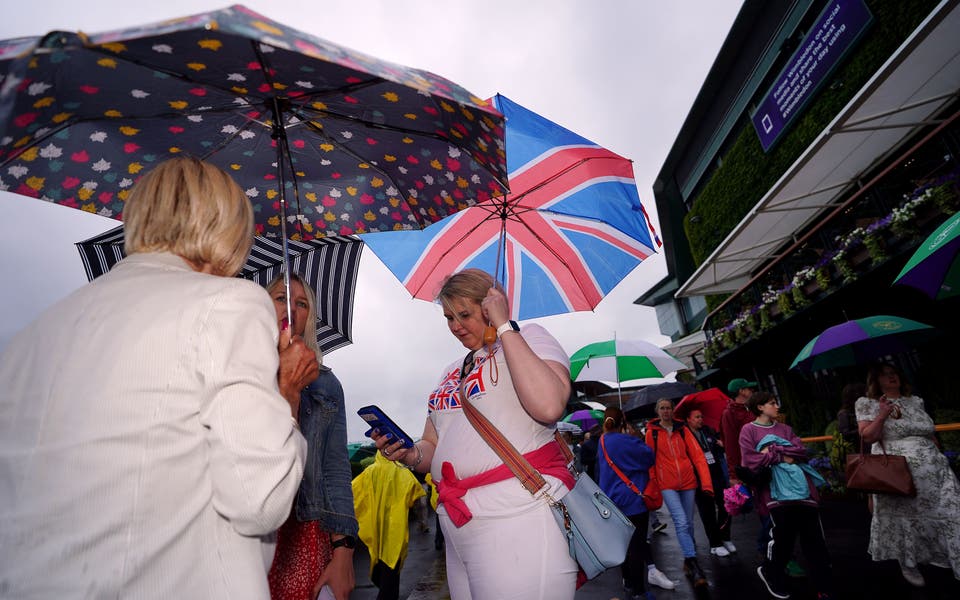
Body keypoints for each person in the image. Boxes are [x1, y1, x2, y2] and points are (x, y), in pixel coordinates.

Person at [0, 156, 308, 598]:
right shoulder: (232, 302)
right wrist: (285, 397)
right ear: (228, 227)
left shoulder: (33, 334)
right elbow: (259, 500)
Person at [373, 268, 578, 599]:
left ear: (490, 305)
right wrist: (410, 454)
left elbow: (549, 405)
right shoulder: (452, 369)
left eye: (463, 315)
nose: (455, 327)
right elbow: (433, 445)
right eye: (448, 318)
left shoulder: (531, 338)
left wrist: (505, 326)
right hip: (457, 523)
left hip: (518, 513)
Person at [265, 274, 359, 600]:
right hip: (249, 533)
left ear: (309, 317)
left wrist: (344, 550)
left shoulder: (326, 385)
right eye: (280, 298)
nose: (290, 308)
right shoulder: (235, 368)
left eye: (301, 303)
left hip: (306, 530)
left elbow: (335, 469)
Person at [855, 362, 960, 587]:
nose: (892, 377)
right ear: (876, 381)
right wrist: (882, 414)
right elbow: (868, 437)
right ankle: (907, 561)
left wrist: (938, 455)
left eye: (894, 373)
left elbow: (929, 433)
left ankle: (949, 556)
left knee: (952, 510)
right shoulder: (867, 403)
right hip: (897, 473)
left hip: (934, 468)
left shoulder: (916, 401)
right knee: (905, 517)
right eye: (885, 375)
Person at [740, 392, 833, 600]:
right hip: (775, 493)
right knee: (783, 540)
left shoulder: (785, 429)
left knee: (815, 540)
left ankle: (823, 585)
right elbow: (751, 460)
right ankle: (771, 572)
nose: (777, 406)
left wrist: (772, 451)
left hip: (803, 490)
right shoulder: (748, 430)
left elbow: (800, 451)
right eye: (772, 403)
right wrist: (784, 454)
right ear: (760, 407)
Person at [597, 406, 672, 599]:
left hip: (613, 500)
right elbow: (648, 458)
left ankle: (628, 581)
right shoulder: (628, 440)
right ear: (623, 421)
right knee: (637, 546)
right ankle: (639, 590)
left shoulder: (603, 441)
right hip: (634, 500)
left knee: (624, 545)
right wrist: (633, 436)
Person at [645, 398, 713, 588]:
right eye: (662, 408)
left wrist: (706, 483)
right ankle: (692, 561)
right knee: (681, 520)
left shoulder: (683, 430)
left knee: (689, 522)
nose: (666, 411)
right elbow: (650, 461)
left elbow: (698, 456)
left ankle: (688, 559)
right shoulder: (652, 434)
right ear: (657, 411)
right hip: (667, 483)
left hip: (688, 481)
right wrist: (654, 484)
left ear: (673, 410)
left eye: (668, 408)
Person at [352, 452, 426, 600]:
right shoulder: (402, 472)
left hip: (375, 527)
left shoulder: (369, 472)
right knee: (393, 565)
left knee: (379, 562)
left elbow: (352, 494)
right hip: (395, 529)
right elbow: (415, 495)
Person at [687, 408, 736, 557]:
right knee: (707, 511)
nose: (700, 419)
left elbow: (717, 444)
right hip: (699, 478)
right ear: (688, 419)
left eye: (701, 416)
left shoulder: (707, 430)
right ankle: (715, 543)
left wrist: (720, 444)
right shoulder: (684, 434)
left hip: (716, 473)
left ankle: (725, 537)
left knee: (726, 506)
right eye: (696, 417)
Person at [720, 377, 758, 474]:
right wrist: (733, 472)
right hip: (747, 464)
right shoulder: (729, 413)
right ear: (742, 391)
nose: (752, 391)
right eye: (749, 389)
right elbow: (730, 444)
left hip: (761, 458)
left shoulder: (751, 408)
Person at [836, 382, 865, 449]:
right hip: (856, 448)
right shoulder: (844, 413)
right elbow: (845, 434)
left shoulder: (860, 410)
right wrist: (863, 430)